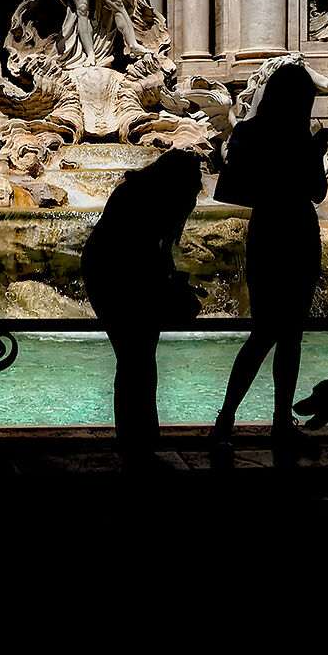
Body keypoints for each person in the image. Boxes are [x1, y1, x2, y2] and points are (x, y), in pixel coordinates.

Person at [210, 64, 327, 460]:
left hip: (268, 233)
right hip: (297, 232)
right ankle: (277, 423)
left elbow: (231, 189)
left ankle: (227, 421)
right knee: (287, 334)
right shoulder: (298, 136)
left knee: (266, 333)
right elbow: (317, 193)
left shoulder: (250, 133)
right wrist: (310, 155)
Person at [81, 150, 204, 467]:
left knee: (137, 359)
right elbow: (138, 256)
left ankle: (137, 443)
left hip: (114, 272)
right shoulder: (146, 199)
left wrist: (172, 284)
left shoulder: (147, 193)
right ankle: (136, 445)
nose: (196, 191)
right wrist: (170, 290)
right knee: (135, 358)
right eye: (193, 185)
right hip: (115, 276)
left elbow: (155, 252)